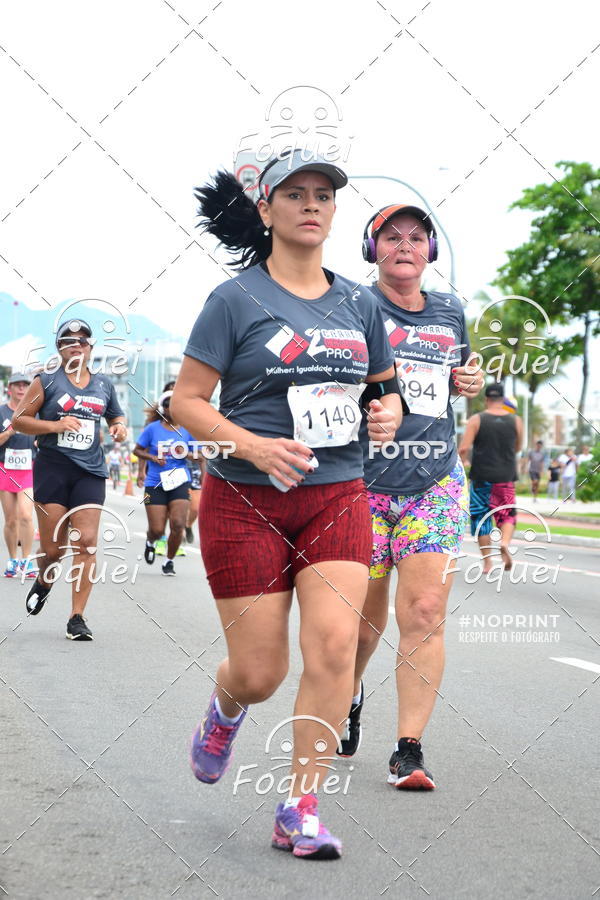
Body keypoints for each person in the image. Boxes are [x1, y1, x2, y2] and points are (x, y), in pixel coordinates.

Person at [171, 150, 401, 860]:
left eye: (324, 195)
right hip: (245, 500)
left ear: (335, 212)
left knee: (335, 648)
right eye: (295, 194)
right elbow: (185, 402)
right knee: (261, 672)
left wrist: (386, 413)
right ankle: (226, 706)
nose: (311, 204)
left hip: (337, 495)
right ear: (266, 209)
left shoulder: (359, 303)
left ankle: (300, 807)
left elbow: (382, 388)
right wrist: (252, 445)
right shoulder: (234, 300)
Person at [337, 204, 483, 790]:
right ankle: (347, 692)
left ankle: (408, 750)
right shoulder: (352, 305)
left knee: (422, 613)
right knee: (360, 622)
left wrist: (464, 380)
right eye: (391, 237)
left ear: (431, 251)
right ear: (372, 249)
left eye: (417, 237)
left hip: (434, 481)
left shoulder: (451, 311)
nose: (405, 245)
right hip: (360, 484)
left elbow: (456, 374)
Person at [12, 319, 127, 639]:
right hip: (53, 470)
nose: (77, 345)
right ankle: (45, 579)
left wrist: (119, 427)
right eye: (68, 341)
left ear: (90, 349)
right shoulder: (46, 381)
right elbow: (20, 421)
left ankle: (77, 617)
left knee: (87, 543)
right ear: (60, 348)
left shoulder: (103, 384)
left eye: (83, 341)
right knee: (53, 549)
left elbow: (115, 415)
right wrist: (55, 427)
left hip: (90, 471)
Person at [459, 383, 523, 571]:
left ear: (486, 399)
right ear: (503, 400)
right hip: (506, 475)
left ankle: (487, 561)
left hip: (481, 476)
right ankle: (504, 543)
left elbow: (464, 448)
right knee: (507, 513)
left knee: (481, 518)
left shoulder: (477, 419)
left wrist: (463, 463)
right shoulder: (516, 421)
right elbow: (518, 447)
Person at [134, 391, 193, 576]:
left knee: (177, 524)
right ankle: (151, 541)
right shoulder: (152, 429)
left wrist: (187, 454)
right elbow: (137, 450)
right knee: (157, 530)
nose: (171, 408)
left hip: (180, 481)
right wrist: (152, 457)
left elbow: (200, 456)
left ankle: (169, 561)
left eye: (174, 404)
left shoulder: (188, 430)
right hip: (155, 483)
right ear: (162, 409)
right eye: (167, 405)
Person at [0, 372, 37, 578]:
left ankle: (26, 560)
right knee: (11, 520)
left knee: (25, 515)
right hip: (4, 469)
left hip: (28, 470)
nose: (21, 388)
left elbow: (42, 436)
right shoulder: (1, 412)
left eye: (25, 385)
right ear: (10, 388)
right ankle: (13, 560)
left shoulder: (34, 413)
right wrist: (10, 432)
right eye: (17, 385)